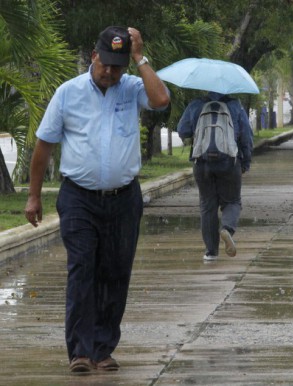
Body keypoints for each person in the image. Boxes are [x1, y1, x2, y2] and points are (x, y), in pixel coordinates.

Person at [24, 26, 170, 373]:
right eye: (105, 64)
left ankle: (103, 349)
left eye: (118, 67)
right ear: (94, 57)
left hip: (124, 198)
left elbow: (162, 100)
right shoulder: (68, 93)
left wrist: (140, 58)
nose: (110, 72)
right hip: (79, 198)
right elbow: (44, 145)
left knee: (116, 272)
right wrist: (33, 196)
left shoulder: (132, 87)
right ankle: (80, 351)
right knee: (82, 270)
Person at [177, 91, 253, 262]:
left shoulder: (196, 104)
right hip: (229, 162)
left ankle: (211, 252)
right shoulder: (235, 106)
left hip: (202, 163)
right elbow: (246, 136)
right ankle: (227, 229)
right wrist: (246, 162)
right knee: (232, 201)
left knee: (207, 205)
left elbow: (183, 130)